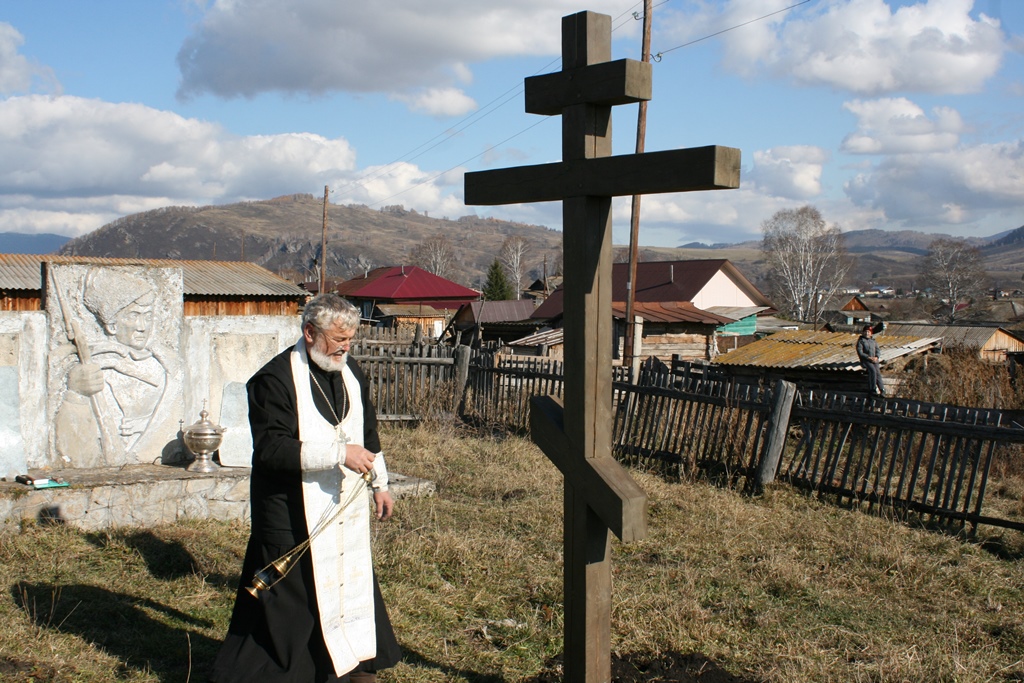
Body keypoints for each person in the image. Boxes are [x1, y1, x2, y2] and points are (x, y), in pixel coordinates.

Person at [210, 294, 401, 683]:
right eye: (338, 339)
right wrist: (337, 454)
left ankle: (347, 666)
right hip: (287, 512)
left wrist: (381, 483)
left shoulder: (351, 373)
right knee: (290, 611)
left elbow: (367, 433)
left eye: (351, 339)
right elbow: (271, 449)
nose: (346, 347)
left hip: (340, 510)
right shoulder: (273, 380)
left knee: (346, 589)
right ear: (309, 332)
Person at [54, 268, 177, 466]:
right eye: (133, 315)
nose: (142, 326)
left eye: (148, 316)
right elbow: (75, 453)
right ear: (111, 325)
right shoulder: (89, 367)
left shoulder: (167, 367)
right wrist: (76, 395)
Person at [856, 324, 885, 397]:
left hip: (874, 360)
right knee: (873, 371)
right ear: (863, 332)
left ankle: (882, 390)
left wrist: (876, 357)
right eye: (865, 331)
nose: (867, 333)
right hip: (866, 360)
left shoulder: (873, 341)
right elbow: (860, 352)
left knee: (878, 373)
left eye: (868, 332)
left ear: (871, 333)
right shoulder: (861, 341)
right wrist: (868, 357)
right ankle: (872, 389)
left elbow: (878, 350)